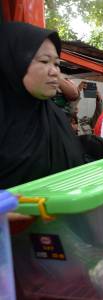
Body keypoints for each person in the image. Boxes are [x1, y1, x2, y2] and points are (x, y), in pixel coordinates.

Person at [0, 22, 85, 190]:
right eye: (44, 61)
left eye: (56, 64)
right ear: (13, 62)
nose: (55, 72)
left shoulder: (55, 116)